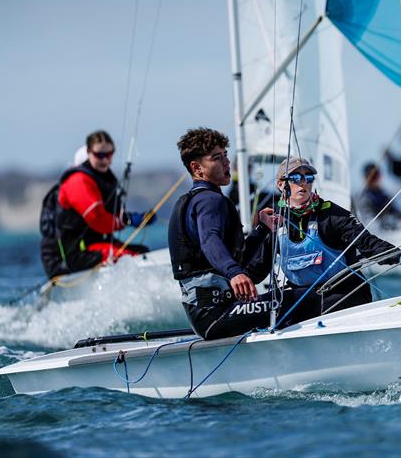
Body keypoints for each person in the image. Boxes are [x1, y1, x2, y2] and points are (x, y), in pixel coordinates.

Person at [245, 157, 401, 316]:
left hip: (344, 293)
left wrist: (398, 255)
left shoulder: (331, 214)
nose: (303, 183)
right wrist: (234, 280)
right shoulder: (275, 222)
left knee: (316, 307)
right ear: (280, 184)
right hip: (304, 297)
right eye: (295, 178)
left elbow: (365, 242)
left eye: (308, 178)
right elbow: (258, 268)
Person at [168, 127, 289, 340]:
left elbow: (236, 258)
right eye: (216, 158)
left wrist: (261, 229)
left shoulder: (194, 200)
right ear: (197, 168)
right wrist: (234, 273)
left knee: (287, 299)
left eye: (225, 155)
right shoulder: (210, 200)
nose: (227, 162)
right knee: (301, 299)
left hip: (208, 314)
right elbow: (209, 240)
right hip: (215, 313)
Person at [39, 130, 153, 279]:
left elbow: (111, 214)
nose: (105, 159)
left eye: (109, 154)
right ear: (88, 152)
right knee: (128, 257)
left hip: (93, 245)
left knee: (141, 251)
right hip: (70, 255)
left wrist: (137, 219)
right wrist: (126, 221)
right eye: (99, 155)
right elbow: (97, 219)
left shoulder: (103, 179)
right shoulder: (78, 181)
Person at [357, 162, 401, 228]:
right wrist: (391, 220)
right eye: (373, 177)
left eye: (377, 175)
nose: (376, 179)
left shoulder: (382, 193)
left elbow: (393, 210)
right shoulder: (365, 198)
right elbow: (371, 223)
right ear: (366, 179)